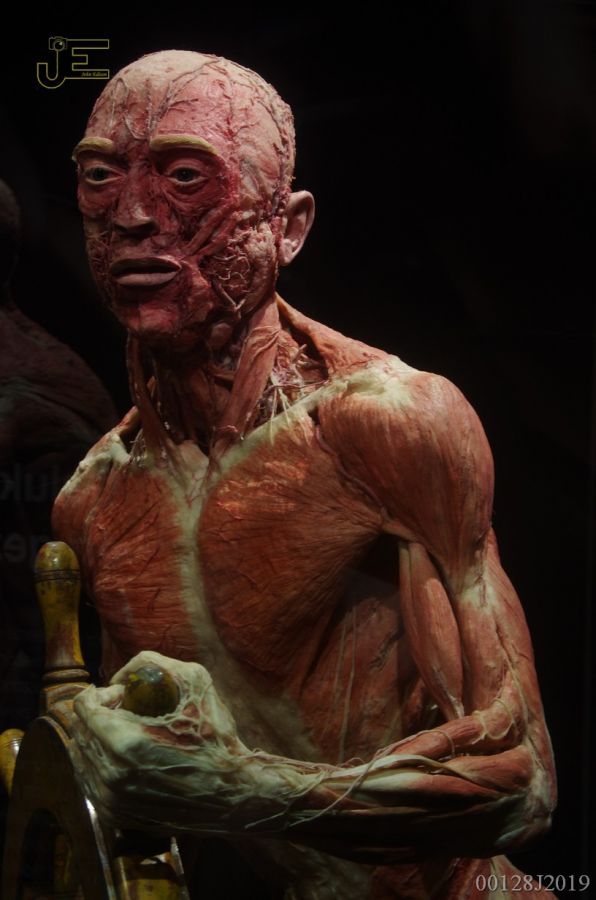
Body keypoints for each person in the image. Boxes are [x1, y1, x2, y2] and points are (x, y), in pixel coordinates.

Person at [53, 50, 556, 899]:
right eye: (100, 177)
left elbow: (524, 779)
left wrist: (248, 792)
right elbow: (146, 813)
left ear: (287, 228)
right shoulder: (97, 500)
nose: (132, 216)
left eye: (185, 177)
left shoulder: (384, 423)